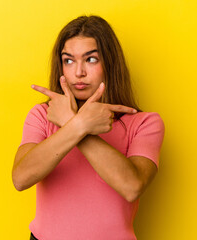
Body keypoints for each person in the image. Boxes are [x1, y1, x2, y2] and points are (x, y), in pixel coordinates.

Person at [12, 15, 165, 240]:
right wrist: (78, 125)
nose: (79, 72)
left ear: (110, 64)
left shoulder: (145, 122)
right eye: (69, 60)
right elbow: (20, 179)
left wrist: (74, 124)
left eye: (91, 59)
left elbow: (132, 187)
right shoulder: (42, 116)